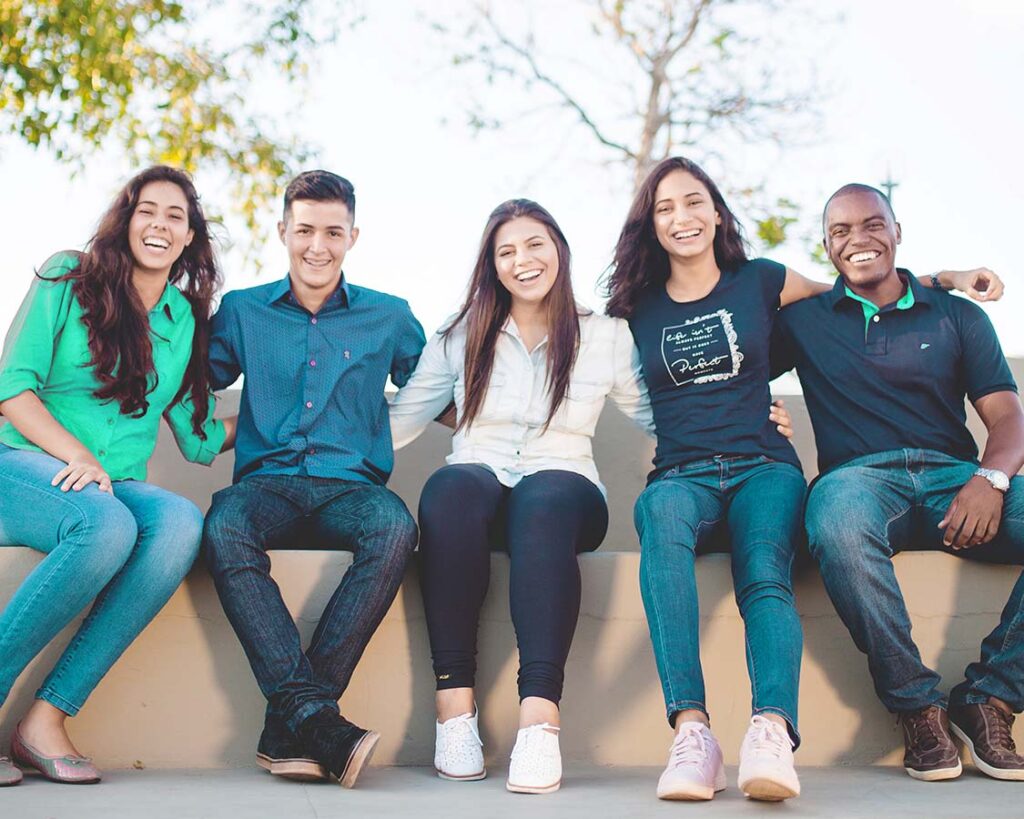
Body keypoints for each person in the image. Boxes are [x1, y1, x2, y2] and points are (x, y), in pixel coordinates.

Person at [604, 157, 1000, 802]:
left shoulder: (762, 281)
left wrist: (945, 278)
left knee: (764, 569)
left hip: (765, 465)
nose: (683, 217)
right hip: (680, 472)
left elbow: (858, 287)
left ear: (716, 212)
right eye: (666, 207)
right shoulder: (633, 308)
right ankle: (692, 732)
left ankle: (770, 731)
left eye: (695, 201)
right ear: (649, 223)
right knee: (661, 527)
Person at [387, 199, 793, 794]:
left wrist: (747, 420)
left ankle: (539, 721)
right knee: (448, 489)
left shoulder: (605, 335)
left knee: (544, 502)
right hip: (478, 479)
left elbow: (666, 414)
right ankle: (455, 712)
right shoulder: (462, 332)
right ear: (491, 265)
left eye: (534, 245)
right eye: (506, 251)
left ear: (559, 250)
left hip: (565, 486)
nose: (522, 260)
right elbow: (402, 418)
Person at [773, 183, 1024, 783]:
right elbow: (727, 342)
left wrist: (990, 479)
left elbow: (1008, 417)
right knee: (833, 521)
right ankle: (917, 707)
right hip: (857, 483)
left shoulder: (957, 314)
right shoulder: (803, 321)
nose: (857, 240)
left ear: (897, 231)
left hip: (957, 482)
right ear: (827, 248)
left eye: (872, 225)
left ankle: (990, 697)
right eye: (840, 232)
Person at [0, 166, 233, 786]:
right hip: (24, 461)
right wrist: (76, 455)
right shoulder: (67, 275)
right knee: (105, 526)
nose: (159, 224)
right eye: (147, 211)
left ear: (189, 238)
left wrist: (291, 416)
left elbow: (197, 431)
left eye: (175, 216)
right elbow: (12, 388)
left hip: (114, 482)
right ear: (126, 220)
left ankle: (44, 720)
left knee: (181, 523)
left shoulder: (183, 318)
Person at [202, 170, 425, 788]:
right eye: (304, 230)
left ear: (354, 235)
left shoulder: (390, 316)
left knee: (395, 527)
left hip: (352, 489)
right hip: (265, 484)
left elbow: (442, 388)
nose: (317, 246)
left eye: (333, 231)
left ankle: (295, 722)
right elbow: (191, 382)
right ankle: (318, 720)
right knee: (223, 526)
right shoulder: (243, 311)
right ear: (283, 232)